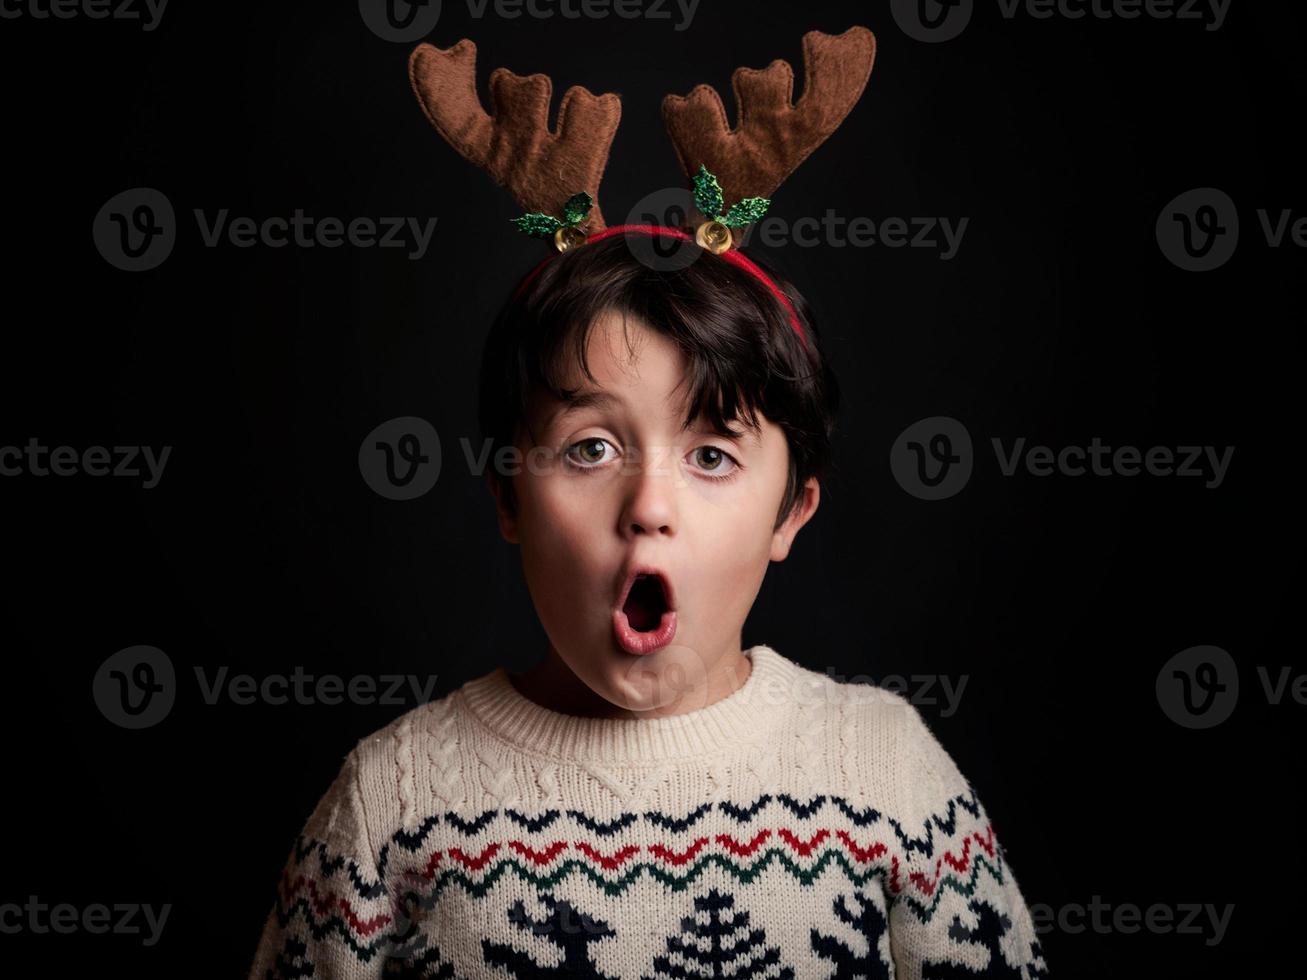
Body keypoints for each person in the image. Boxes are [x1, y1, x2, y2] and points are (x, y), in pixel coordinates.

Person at [247, 26, 1047, 980]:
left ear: (791, 511)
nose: (648, 507)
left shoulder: (884, 773)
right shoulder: (392, 798)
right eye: (590, 448)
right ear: (507, 495)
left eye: (711, 454)